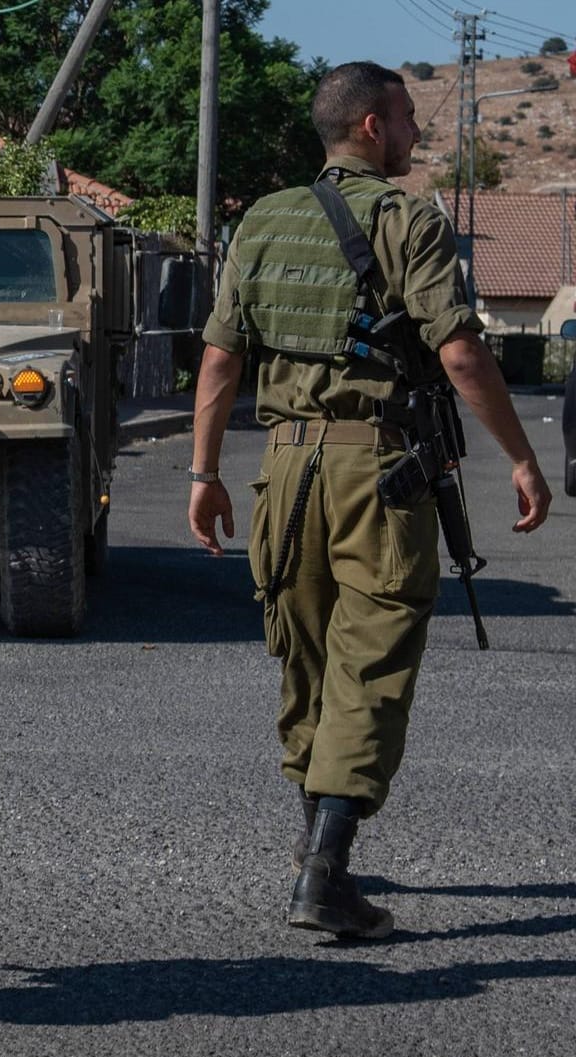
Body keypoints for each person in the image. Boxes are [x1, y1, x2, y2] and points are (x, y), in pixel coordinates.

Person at [188, 62, 551, 939]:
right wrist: (522, 457)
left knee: (307, 659)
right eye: (410, 121)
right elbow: (462, 355)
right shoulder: (407, 221)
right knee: (372, 666)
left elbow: (221, 361)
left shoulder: (261, 221)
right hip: (377, 473)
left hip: (283, 474)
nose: (420, 137)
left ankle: (313, 840)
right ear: (373, 128)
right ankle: (325, 878)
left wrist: (202, 475)